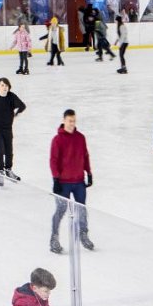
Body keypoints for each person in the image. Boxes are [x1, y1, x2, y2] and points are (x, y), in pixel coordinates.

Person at [48, 109, 95, 254]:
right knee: (61, 210)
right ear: (63, 120)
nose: (72, 124)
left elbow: (85, 156)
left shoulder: (81, 137)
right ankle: (54, 238)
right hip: (63, 183)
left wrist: (89, 172)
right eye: (69, 121)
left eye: (74, 121)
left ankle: (83, 234)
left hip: (79, 181)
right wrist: (56, 178)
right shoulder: (57, 140)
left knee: (82, 209)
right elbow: (53, 160)